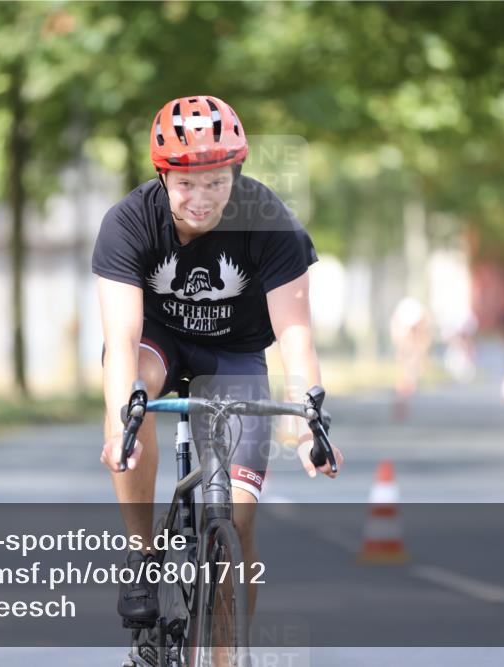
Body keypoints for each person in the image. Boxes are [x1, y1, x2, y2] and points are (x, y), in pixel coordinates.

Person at [91, 95, 344, 632]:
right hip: (159, 342)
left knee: (241, 520)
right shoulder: (128, 223)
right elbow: (122, 334)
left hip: (235, 352)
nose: (201, 198)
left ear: (237, 170)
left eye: (216, 181)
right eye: (186, 183)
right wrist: (121, 426)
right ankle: (141, 554)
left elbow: (295, 334)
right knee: (138, 393)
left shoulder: (271, 222)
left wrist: (308, 428)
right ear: (162, 176)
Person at [389, 296, 431, 420]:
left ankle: (403, 402)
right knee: (405, 376)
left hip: (409, 346)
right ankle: (402, 403)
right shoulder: (409, 315)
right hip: (407, 345)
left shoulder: (412, 313)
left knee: (408, 375)